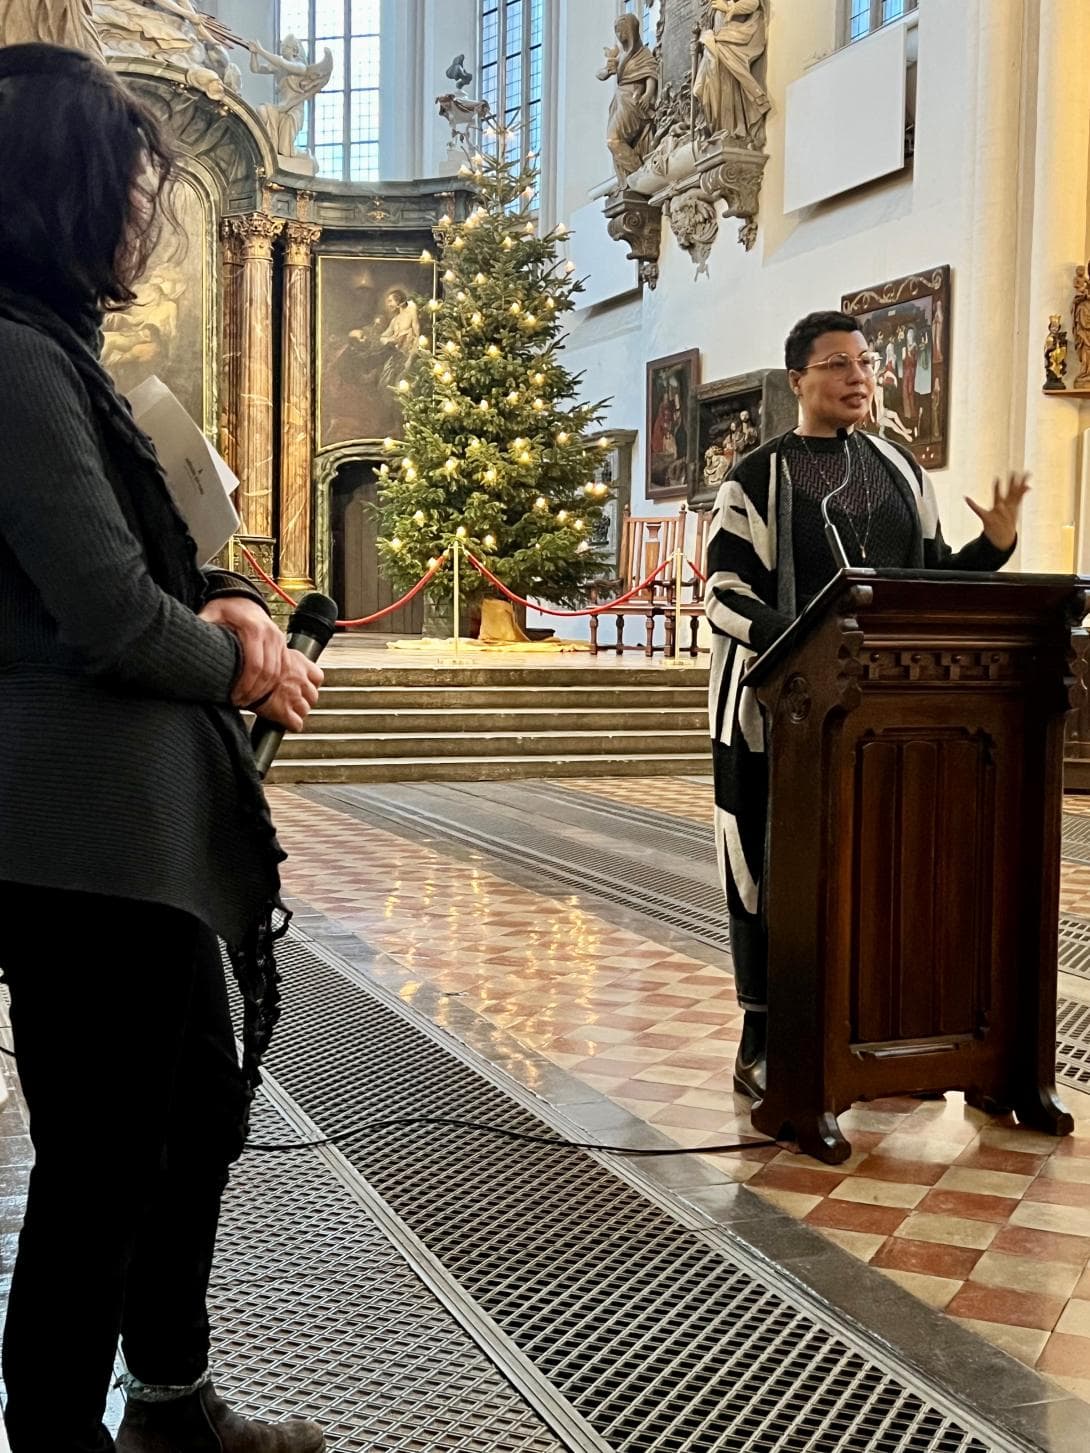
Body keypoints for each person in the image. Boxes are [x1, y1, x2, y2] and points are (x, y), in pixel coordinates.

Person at [0, 45, 325, 1453]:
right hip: (76, 834)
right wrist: (247, 662)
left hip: (128, 837)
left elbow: (169, 556)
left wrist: (236, 599)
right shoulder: (10, 353)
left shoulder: (49, 343)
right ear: (58, 186)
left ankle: (173, 1397)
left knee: (189, 1108)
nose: (145, 217)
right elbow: (113, 611)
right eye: (132, 186)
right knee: (97, 1168)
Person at [705, 311, 1029, 1098]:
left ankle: (874, 1030)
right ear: (798, 380)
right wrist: (807, 646)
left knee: (875, 864)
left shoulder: (900, 472)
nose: (858, 376)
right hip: (771, 715)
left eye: (865, 362)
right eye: (838, 363)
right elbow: (724, 593)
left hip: (883, 715)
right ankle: (762, 1032)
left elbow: (929, 583)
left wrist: (994, 547)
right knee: (766, 872)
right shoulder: (755, 478)